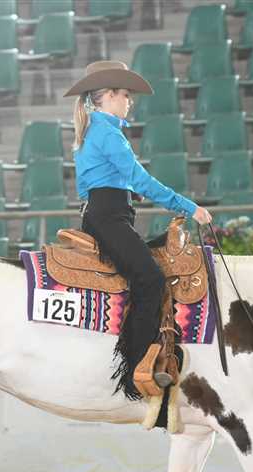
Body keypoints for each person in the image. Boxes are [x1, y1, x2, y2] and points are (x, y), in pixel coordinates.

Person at [64, 61, 213, 400]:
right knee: (151, 279)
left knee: (148, 270)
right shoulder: (107, 133)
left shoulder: (95, 129)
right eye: (125, 95)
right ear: (109, 96)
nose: (129, 101)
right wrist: (189, 208)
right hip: (109, 217)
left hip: (105, 212)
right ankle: (136, 372)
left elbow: (98, 183)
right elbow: (140, 178)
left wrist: (128, 191)